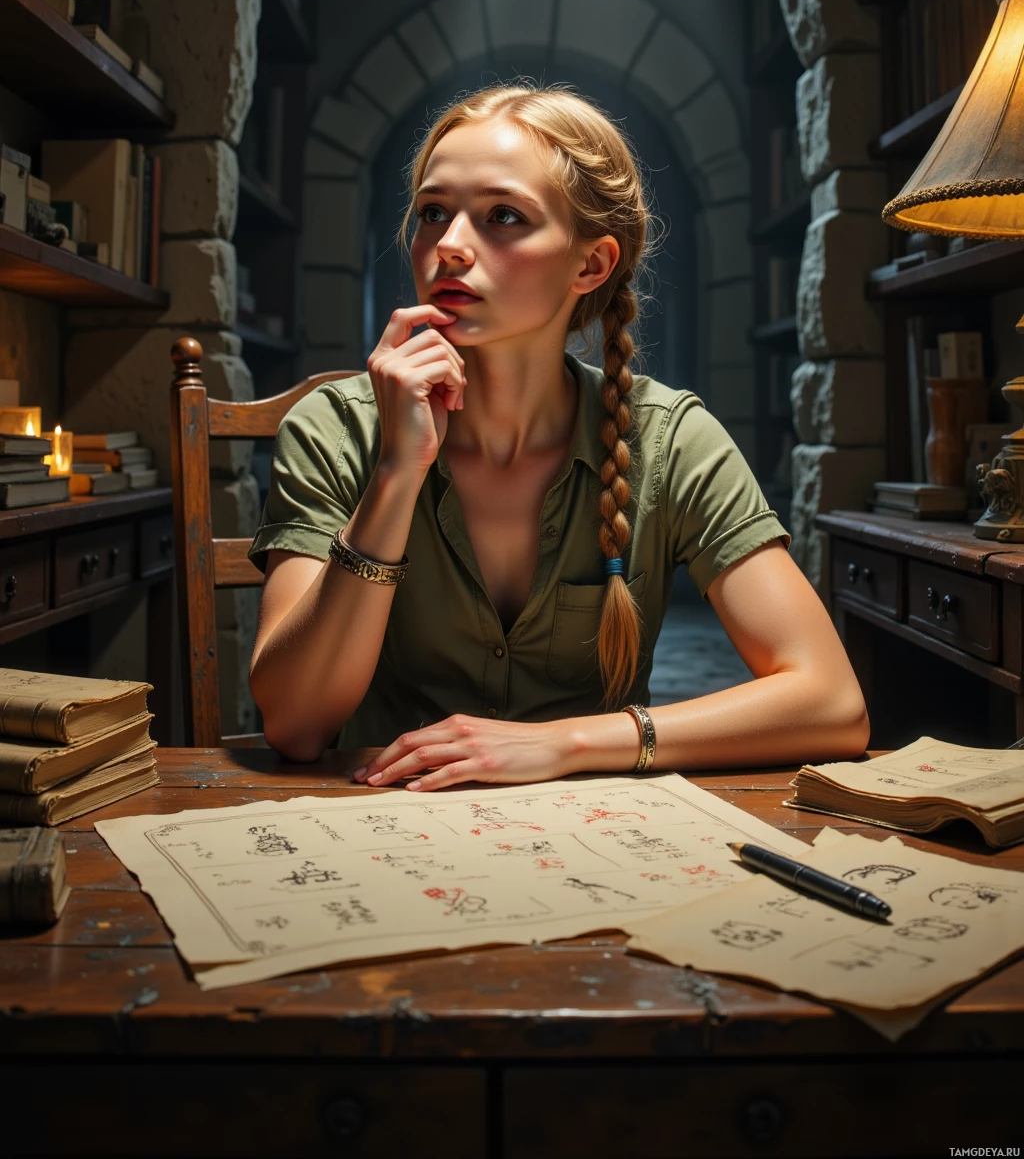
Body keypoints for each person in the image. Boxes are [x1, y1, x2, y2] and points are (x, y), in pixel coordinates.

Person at [248, 84, 869, 785]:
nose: (449, 246)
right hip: (374, 822)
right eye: (432, 213)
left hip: (593, 838)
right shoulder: (334, 431)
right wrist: (397, 469)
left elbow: (831, 701)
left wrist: (566, 744)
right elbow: (297, 728)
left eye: (502, 216)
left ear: (591, 264)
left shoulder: (669, 440)